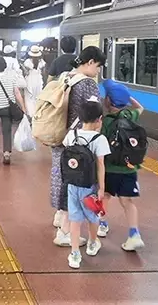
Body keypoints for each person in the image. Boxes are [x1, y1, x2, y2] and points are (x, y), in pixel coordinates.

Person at [51, 46, 106, 247]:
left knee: (62, 177)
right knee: (77, 183)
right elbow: (94, 112)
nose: (98, 71)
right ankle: (65, 232)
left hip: (61, 136)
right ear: (90, 62)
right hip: (80, 143)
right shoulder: (87, 84)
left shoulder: (66, 77)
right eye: (98, 66)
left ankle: (59, 217)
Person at [98, 79, 146, 251]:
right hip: (129, 169)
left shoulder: (105, 122)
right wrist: (128, 98)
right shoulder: (130, 116)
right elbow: (140, 107)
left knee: (105, 196)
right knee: (127, 201)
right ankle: (134, 234)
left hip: (109, 169)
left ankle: (102, 224)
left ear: (108, 101)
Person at [62, 99, 109, 269]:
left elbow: (65, 148)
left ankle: (75, 254)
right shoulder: (99, 139)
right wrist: (102, 188)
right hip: (90, 186)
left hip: (73, 185)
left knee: (75, 219)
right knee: (93, 217)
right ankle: (92, 243)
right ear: (99, 119)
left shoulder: (71, 135)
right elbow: (100, 165)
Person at [23, 45, 46, 117]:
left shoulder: (27, 62)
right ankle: (37, 113)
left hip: (30, 80)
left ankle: (30, 113)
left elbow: (25, 73)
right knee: (38, 97)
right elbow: (44, 73)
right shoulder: (42, 62)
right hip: (38, 80)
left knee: (29, 97)